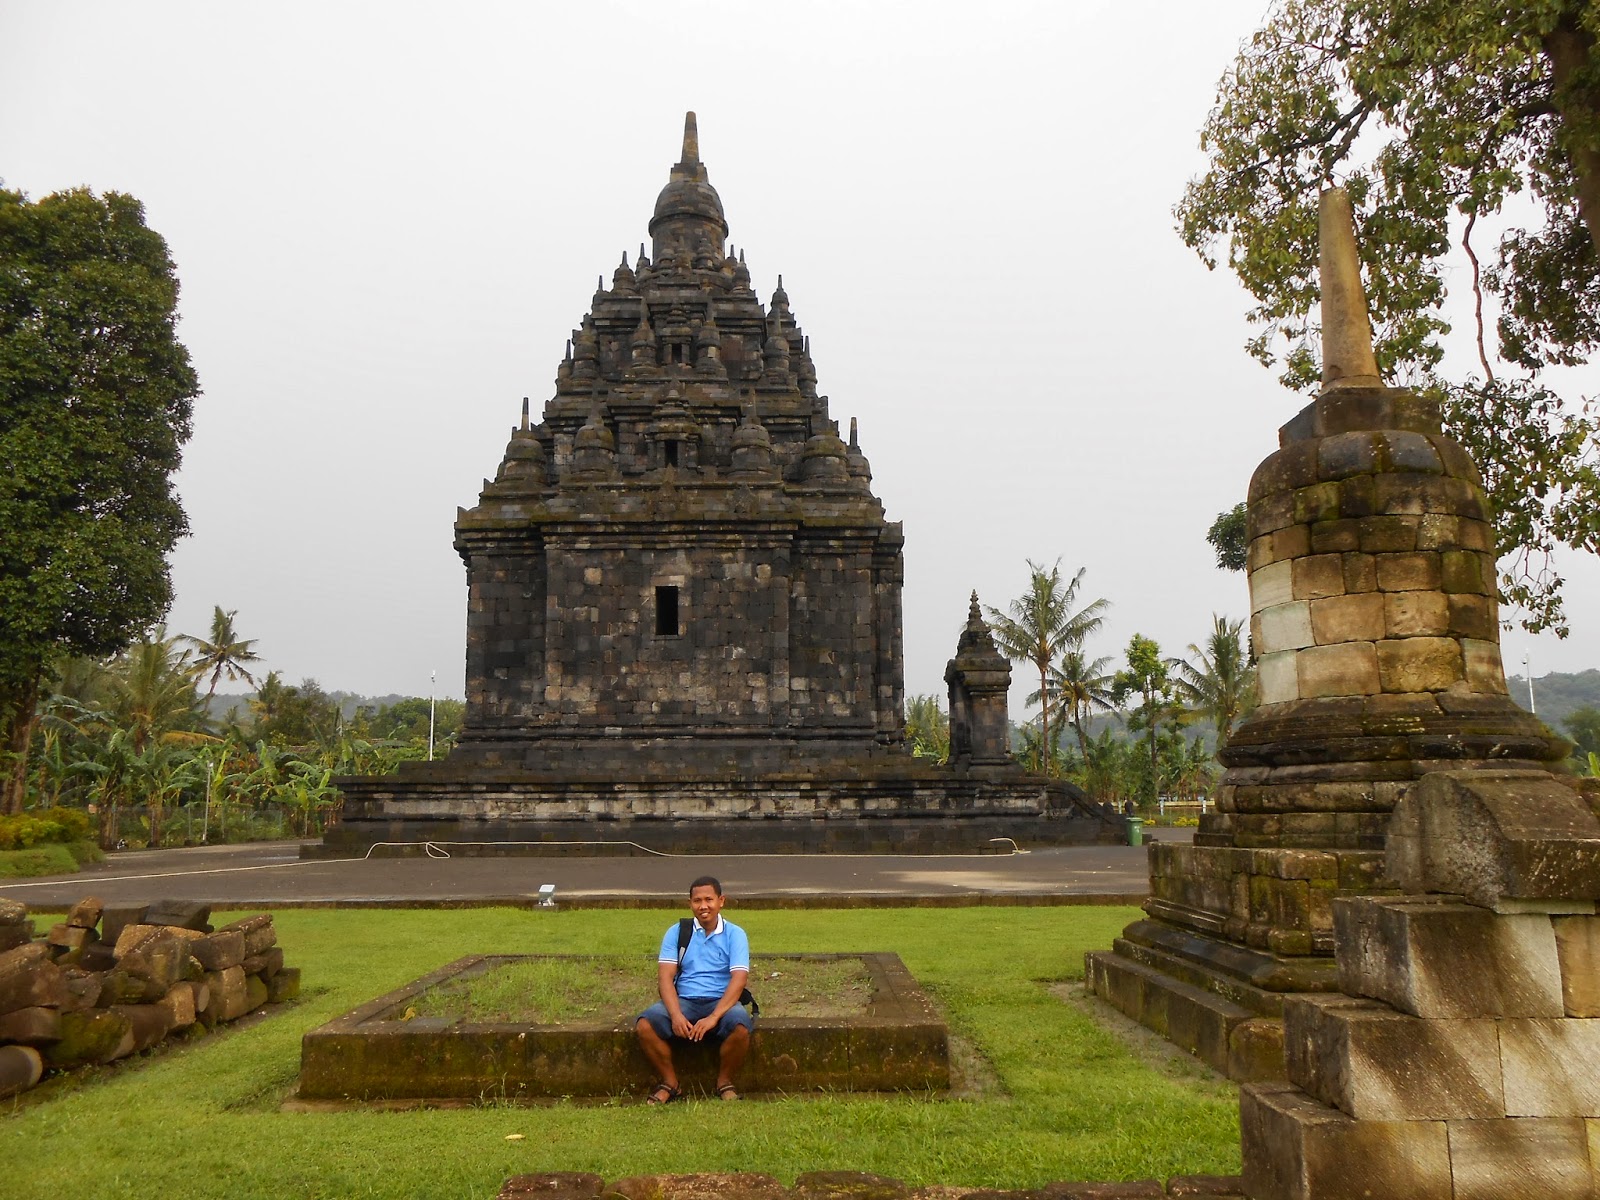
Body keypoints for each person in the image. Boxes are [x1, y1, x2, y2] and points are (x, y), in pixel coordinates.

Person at [634, 875, 753, 1103]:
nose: (703, 906)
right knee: (645, 1025)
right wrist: (676, 1015)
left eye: (709, 899)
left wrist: (714, 1017)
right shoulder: (677, 932)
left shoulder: (735, 934)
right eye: (697, 901)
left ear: (721, 901)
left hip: (721, 1001)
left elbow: (739, 979)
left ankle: (724, 1082)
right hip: (685, 1000)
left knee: (740, 1026)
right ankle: (670, 1083)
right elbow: (665, 978)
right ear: (690, 903)